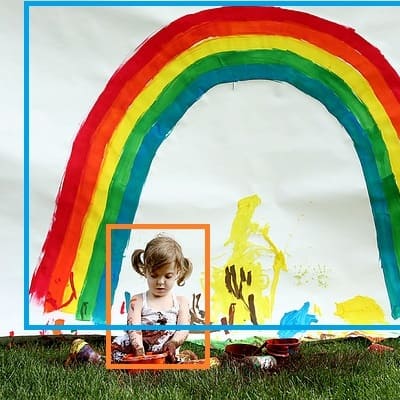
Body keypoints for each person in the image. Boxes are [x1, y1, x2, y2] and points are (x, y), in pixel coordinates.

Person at [112, 235, 193, 363]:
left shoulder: (181, 302)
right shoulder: (137, 301)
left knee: (176, 361)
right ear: (145, 272)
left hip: (165, 351)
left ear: (178, 272)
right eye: (154, 275)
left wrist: (173, 343)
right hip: (136, 349)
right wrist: (139, 349)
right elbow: (134, 328)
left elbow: (183, 329)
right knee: (117, 348)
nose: (160, 282)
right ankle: (94, 358)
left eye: (168, 276)